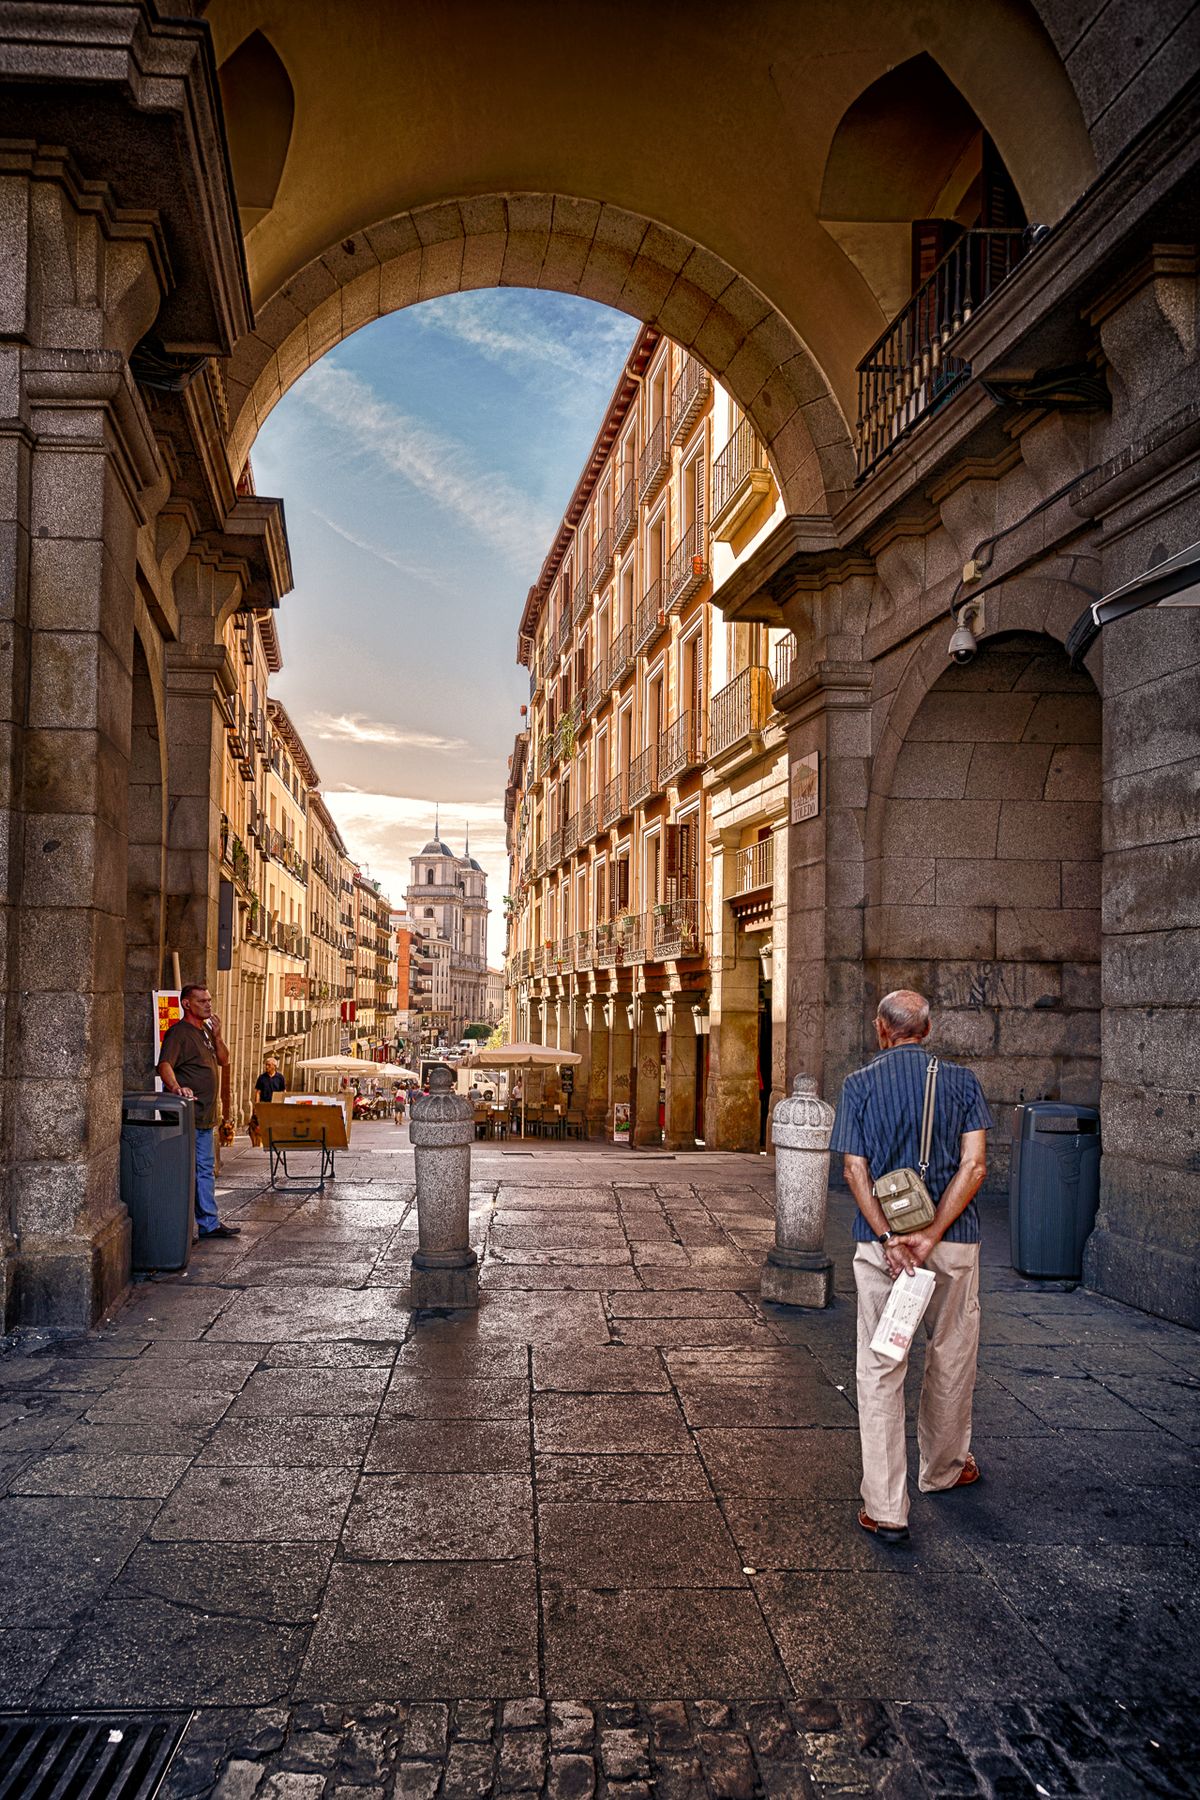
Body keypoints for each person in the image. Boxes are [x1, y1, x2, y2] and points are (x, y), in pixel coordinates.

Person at [830, 988, 991, 1545]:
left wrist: (890, 1236)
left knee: (880, 1368)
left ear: (881, 1029)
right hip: (953, 1244)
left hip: (882, 1249)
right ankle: (944, 1471)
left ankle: (886, 1508)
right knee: (950, 1354)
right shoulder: (964, 1083)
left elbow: (854, 1169)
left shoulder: (858, 1085)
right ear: (928, 1029)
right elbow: (973, 1168)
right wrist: (932, 1235)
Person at [157, 984, 241, 1241]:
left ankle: (207, 1223)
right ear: (186, 1004)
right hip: (189, 1115)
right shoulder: (178, 1033)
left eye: (209, 1000)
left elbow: (224, 1060)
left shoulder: (205, 1031)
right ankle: (194, 1224)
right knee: (192, 1169)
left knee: (204, 1168)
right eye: (202, 1001)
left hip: (205, 1115)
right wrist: (176, 1087)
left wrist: (217, 1036)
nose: (208, 1005)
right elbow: (164, 1064)